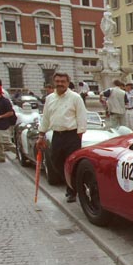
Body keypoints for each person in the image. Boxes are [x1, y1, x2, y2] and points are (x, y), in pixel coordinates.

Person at [37, 72, 87, 203]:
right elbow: (46, 118)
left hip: (72, 135)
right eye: (57, 81)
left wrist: (79, 135)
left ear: (68, 82)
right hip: (57, 135)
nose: (60, 84)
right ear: (54, 82)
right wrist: (41, 135)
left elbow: (82, 117)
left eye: (62, 81)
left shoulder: (75, 97)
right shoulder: (50, 98)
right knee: (56, 161)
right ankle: (71, 184)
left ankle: (72, 191)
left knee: (72, 163)